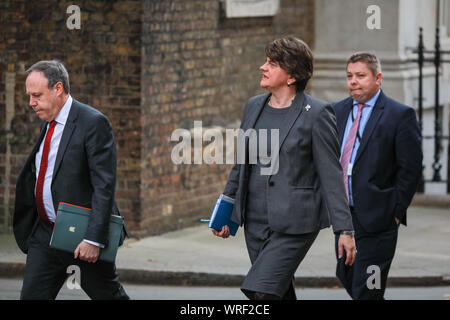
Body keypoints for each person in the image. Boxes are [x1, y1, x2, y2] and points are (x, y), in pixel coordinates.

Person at [212, 37, 356, 300]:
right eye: (266, 61)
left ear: (291, 76)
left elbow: (331, 175)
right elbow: (241, 165)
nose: (262, 67)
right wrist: (226, 212)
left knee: (261, 291)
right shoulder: (253, 106)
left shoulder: (317, 113)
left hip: (295, 223)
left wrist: (344, 230)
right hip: (255, 222)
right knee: (278, 293)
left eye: (272, 63)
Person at [14, 60, 129, 300]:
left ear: (58, 89)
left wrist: (93, 239)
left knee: (110, 296)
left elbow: (103, 186)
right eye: (29, 96)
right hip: (45, 235)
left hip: (80, 237)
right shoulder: (48, 122)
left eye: (37, 95)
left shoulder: (92, 123)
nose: (31, 103)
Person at [332, 52, 422, 300]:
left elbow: (410, 169)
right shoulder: (336, 111)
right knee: (347, 275)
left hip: (379, 218)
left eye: (361, 76)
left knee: (368, 288)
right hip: (344, 216)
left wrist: (395, 212)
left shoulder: (399, 115)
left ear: (378, 78)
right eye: (349, 76)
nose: (353, 81)